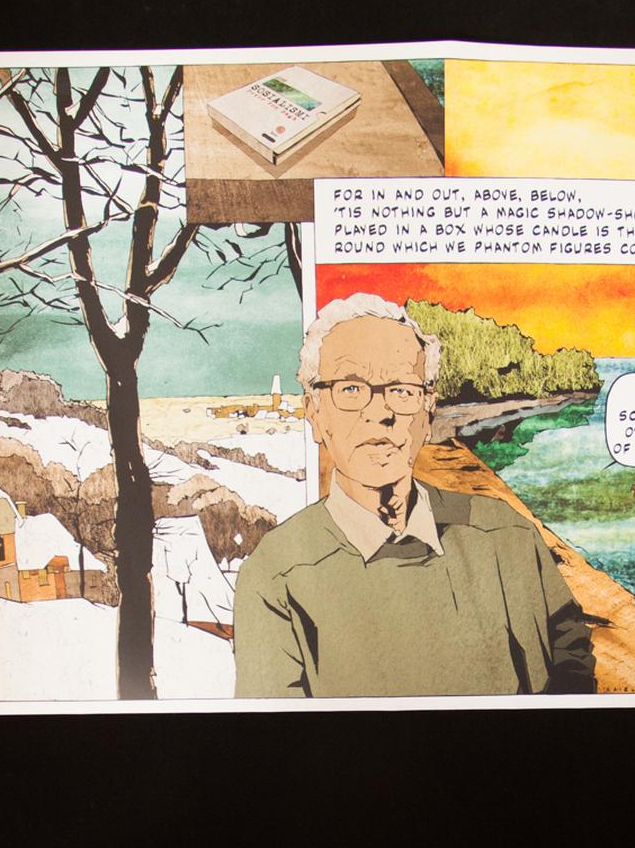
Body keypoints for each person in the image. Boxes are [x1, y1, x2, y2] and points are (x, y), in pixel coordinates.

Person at [233, 294, 596, 697]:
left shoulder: (508, 534)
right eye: (350, 388)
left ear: (428, 413)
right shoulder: (276, 574)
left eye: (402, 390)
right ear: (315, 414)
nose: (380, 412)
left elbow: (571, 653)